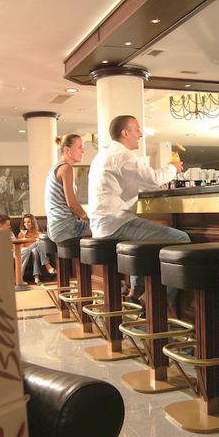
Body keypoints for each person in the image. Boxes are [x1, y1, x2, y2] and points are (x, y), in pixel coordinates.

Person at [88, 115, 190, 310]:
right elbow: (153, 179)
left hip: (102, 225)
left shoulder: (102, 155)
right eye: (137, 129)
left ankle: (135, 291)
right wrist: (173, 168)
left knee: (141, 242)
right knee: (181, 239)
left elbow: (138, 183)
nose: (141, 134)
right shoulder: (122, 155)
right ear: (125, 133)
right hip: (116, 223)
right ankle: (162, 302)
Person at [45, 134, 90, 244]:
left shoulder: (55, 168)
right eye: (80, 147)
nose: (83, 151)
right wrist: (88, 217)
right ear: (67, 150)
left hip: (55, 227)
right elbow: (72, 204)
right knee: (106, 229)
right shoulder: (66, 168)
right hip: (65, 227)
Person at [18, 213, 56, 285]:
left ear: (33, 223)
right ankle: (47, 265)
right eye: (25, 222)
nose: (26, 224)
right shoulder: (21, 234)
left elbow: (43, 247)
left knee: (35, 251)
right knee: (39, 242)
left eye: (28, 222)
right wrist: (23, 239)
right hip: (26, 252)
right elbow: (21, 249)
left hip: (34, 252)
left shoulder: (38, 233)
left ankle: (36, 278)